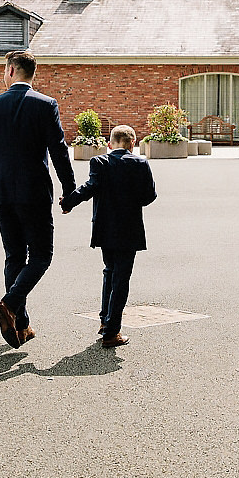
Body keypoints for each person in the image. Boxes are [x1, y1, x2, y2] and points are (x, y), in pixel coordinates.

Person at [0, 50, 76, 349]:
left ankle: (22, 325)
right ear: (33, 74)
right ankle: (10, 304)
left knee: (14, 257)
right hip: (34, 193)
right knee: (42, 255)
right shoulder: (45, 105)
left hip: (2, 194)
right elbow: (58, 149)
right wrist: (69, 189)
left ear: (10, 71)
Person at [60, 125, 157, 348]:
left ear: (109, 144)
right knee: (121, 278)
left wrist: (68, 203)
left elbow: (89, 188)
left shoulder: (99, 162)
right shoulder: (140, 163)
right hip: (129, 228)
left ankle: (105, 321)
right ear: (132, 143)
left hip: (104, 227)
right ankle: (112, 332)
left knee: (109, 271)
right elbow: (149, 196)